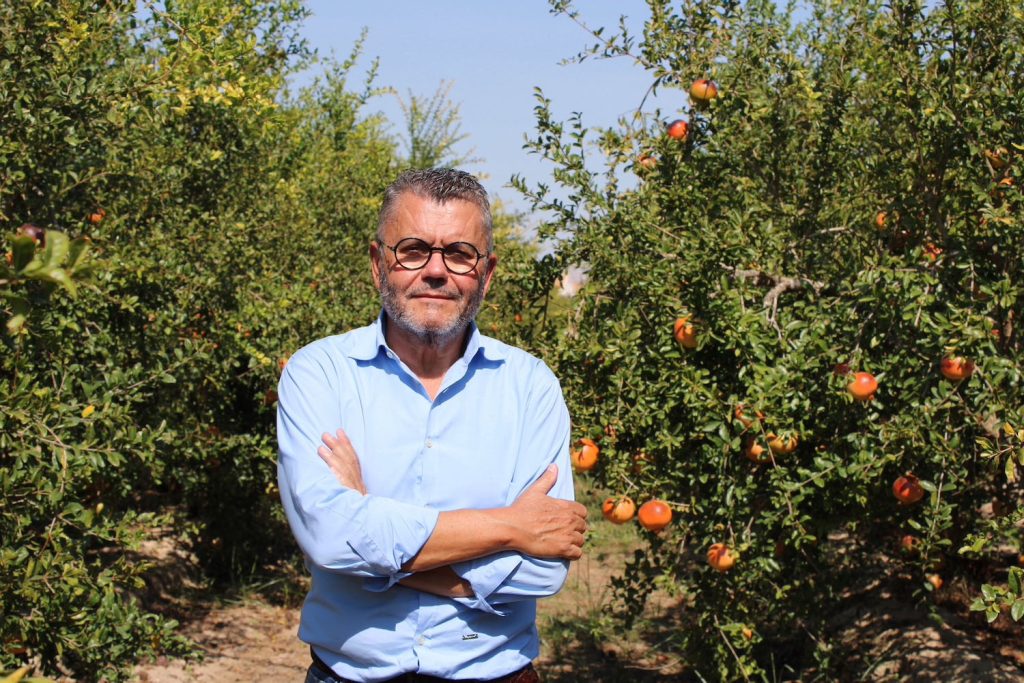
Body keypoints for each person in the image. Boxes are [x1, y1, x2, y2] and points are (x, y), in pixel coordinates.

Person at [276, 168, 588, 683]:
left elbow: (544, 567)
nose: (436, 271)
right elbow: (331, 538)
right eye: (414, 249)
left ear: (486, 273)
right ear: (379, 265)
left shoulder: (530, 386)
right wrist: (511, 527)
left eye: (460, 254)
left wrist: (373, 535)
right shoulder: (320, 374)